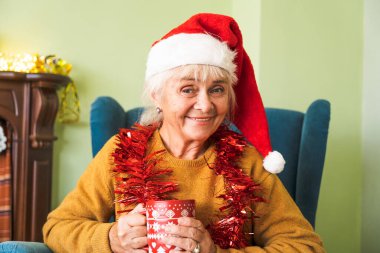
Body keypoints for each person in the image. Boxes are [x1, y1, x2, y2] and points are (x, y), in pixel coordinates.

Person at [43, 13, 325, 253]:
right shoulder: (122, 151)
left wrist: (215, 250)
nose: (205, 105)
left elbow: (304, 245)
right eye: (188, 89)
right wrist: (112, 239)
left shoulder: (246, 161)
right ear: (157, 95)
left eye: (217, 89)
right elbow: (57, 227)